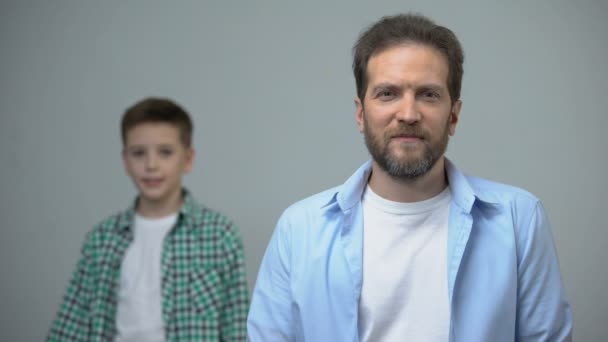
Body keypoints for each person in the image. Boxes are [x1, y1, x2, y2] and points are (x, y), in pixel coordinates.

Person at [247, 13, 572, 341]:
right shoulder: (298, 229)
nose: (408, 114)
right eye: (388, 93)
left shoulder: (519, 220)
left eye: (428, 94)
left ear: (454, 116)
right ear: (361, 114)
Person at [47, 97, 249, 341]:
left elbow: (236, 327)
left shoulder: (219, 235)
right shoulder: (101, 240)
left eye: (165, 152)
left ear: (187, 159)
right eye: (139, 153)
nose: (151, 165)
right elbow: (70, 328)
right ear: (125, 161)